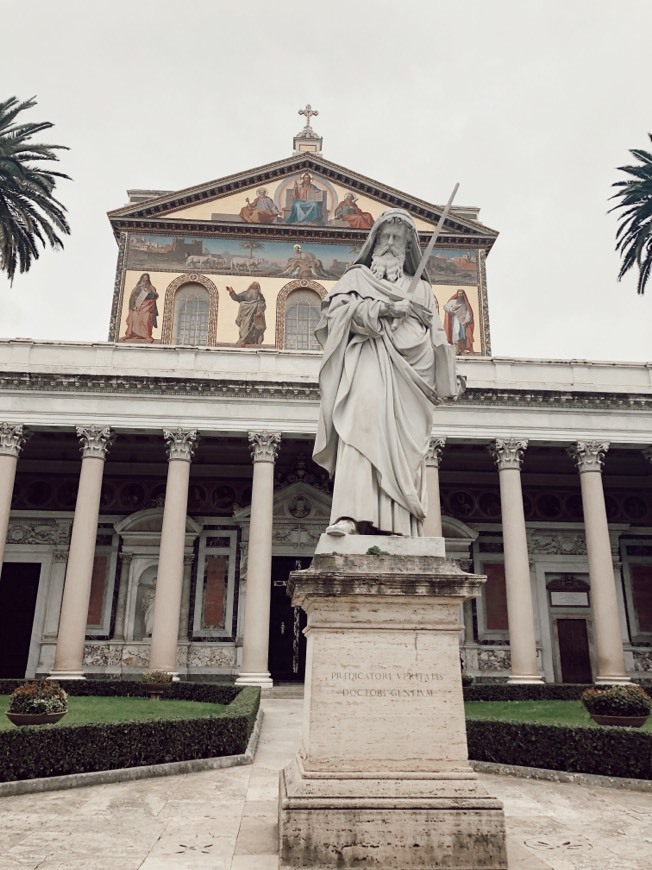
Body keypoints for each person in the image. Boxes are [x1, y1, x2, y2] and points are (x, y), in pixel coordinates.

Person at [313, 209, 461, 537]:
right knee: (359, 425)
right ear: (375, 241)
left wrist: (447, 370)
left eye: (399, 239)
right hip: (367, 359)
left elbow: (436, 332)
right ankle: (348, 516)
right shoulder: (356, 279)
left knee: (403, 448)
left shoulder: (421, 289)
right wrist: (385, 308)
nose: (391, 244)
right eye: (386, 237)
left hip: (410, 377)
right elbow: (334, 317)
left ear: (409, 247)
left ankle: (400, 525)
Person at [227, 282, 267, 346]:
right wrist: (232, 292)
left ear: (258, 287)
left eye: (256, 286)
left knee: (254, 329)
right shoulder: (245, 294)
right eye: (253, 285)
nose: (254, 286)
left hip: (255, 316)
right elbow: (237, 298)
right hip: (246, 314)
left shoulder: (260, 296)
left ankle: (253, 342)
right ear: (250, 286)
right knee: (244, 327)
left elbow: (262, 304)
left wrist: (259, 311)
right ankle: (243, 340)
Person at [122, 274, 159, 342]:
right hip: (138, 307)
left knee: (146, 320)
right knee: (135, 319)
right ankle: (134, 335)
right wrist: (133, 307)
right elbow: (132, 298)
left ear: (148, 279)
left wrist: (149, 295)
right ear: (141, 279)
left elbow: (155, 296)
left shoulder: (152, 288)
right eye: (144, 278)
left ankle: (147, 335)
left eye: (147, 278)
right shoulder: (137, 288)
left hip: (148, 307)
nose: (145, 279)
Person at [444, 288, 475, 354]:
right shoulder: (453, 302)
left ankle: (462, 349)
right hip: (455, 320)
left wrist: (466, 320)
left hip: (463, 322)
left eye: (461, 294)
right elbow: (445, 307)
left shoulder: (465, 303)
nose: (460, 295)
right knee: (456, 334)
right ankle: (456, 349)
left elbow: (468, 312)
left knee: (463, 336)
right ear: (457, 294)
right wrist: (452, 309)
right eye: (459, 294)